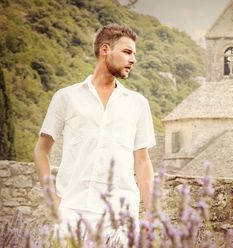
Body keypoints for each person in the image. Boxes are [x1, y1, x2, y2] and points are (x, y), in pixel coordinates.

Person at [33, 24, 156, 245]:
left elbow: (143, 161)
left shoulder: (138, 104)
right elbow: (41, 151)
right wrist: (53, 199)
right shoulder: (66, 97)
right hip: (73, 212)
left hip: (121, 217)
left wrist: (150, 213)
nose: (133, 60)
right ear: (105, 49)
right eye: (127, 52)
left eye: (134, 54)